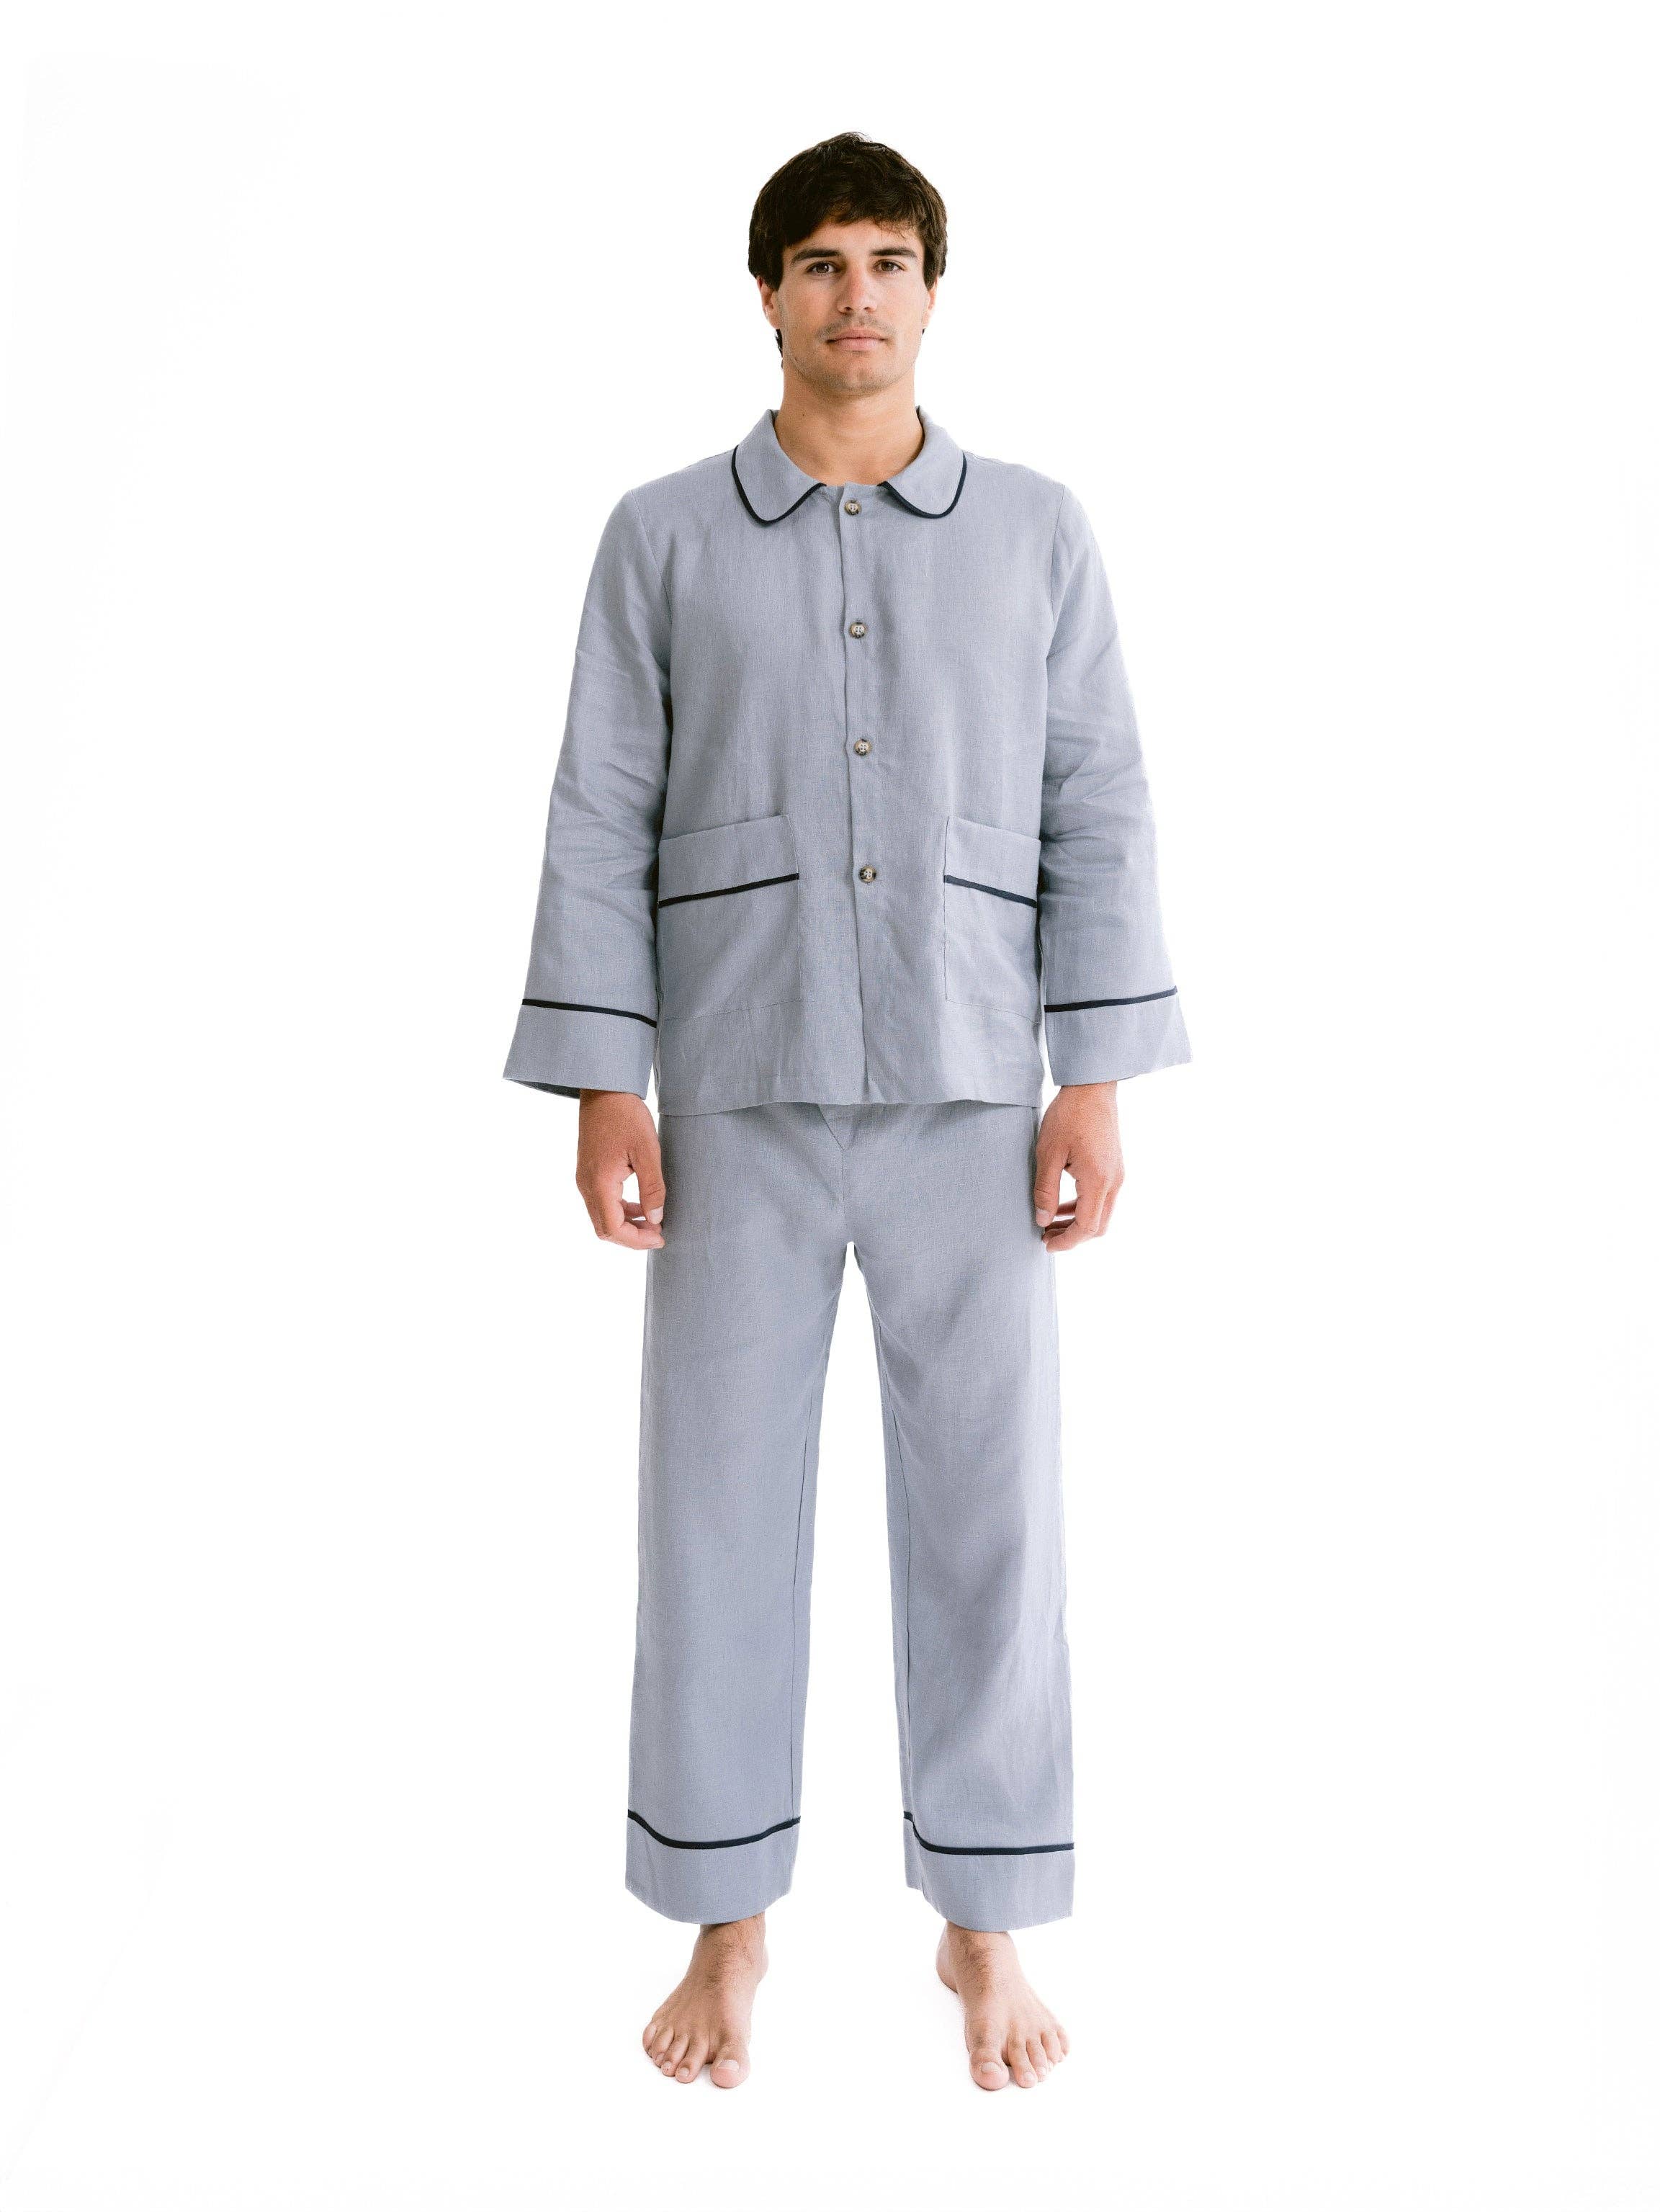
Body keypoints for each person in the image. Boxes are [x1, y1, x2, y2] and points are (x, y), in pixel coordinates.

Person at [502, 130, 1190, 2093]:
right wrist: (604, 1084)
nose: (855, 295)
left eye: (888, 260)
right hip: (733, 1086)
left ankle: (984, 1920)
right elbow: (599, 805)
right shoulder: (660, 536)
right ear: (768, 296)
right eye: (819, 262)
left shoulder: (1036, 529)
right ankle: (729, 1923)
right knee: (714, 1511)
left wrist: (1093, 1081)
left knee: (991, 1515)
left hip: (977, 1093)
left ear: (932, 292)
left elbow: (1096, 799)